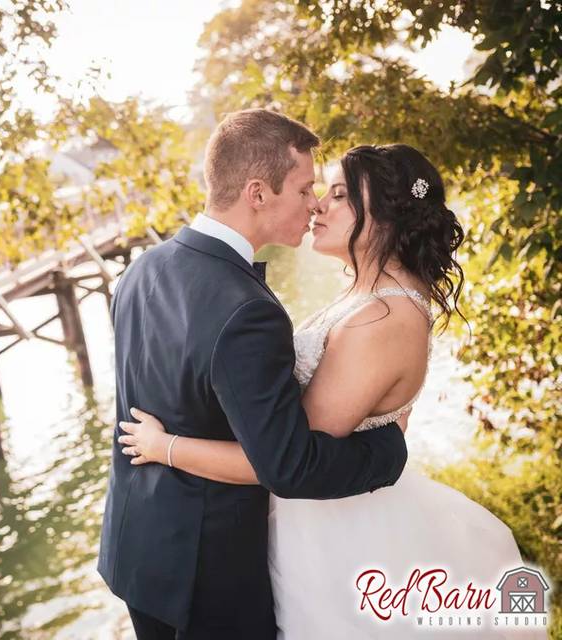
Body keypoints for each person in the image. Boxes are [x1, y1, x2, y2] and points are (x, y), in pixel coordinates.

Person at [119, 143, 539, 638]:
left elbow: (289, 460)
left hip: (337, 528)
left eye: (338, 194)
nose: (318, 204)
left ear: (383, 216)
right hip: (314, 519)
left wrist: (165, 447)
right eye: (319, 190)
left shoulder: (384, 318)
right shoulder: (366, 294)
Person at [97, 109, 410, 639]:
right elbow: (288, 465)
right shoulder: (247, 310)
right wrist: (387, 452)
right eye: (306, 187)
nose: (315, 203)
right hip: (207, 577)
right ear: (258, 193)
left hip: (134, 551)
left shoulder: (139, 270)